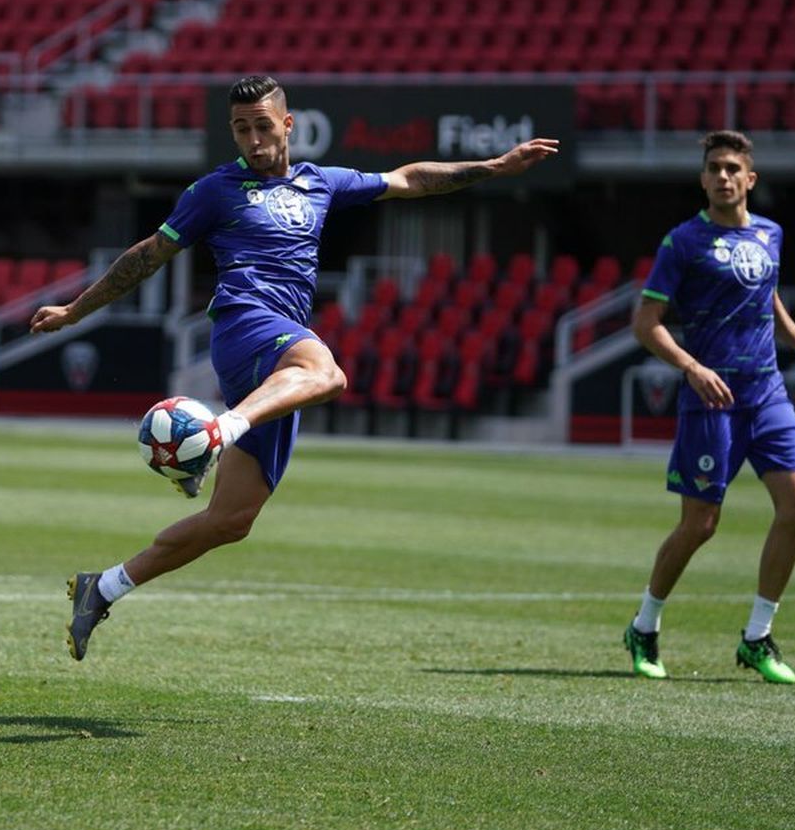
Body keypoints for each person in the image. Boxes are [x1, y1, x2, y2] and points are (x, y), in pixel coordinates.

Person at [30, 75, 559, 661]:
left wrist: (494, 164)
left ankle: (100, 588)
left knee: (231, 520)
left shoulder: (321, 183)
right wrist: (76, 310)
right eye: (240, 129)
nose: (252, 140)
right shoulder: (214, 190)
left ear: (287, 125)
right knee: (328, 373)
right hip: (244, 324)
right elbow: (148, 255)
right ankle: (219, 432)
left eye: (262, 126)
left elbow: (409, 179)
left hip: (277, 357)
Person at [622, 130, 795, 685]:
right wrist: (692, 367)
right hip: (712, 398)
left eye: (733, 168)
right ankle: (644, 626)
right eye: (714, 167)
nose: (723, 176)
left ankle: (757, 637)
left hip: (767, 394)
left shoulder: (770, 234)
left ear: (750, 179)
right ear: (703, 177)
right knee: (701, 525)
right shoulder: (683, 242)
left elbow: (768, 296)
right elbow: (646, 325)